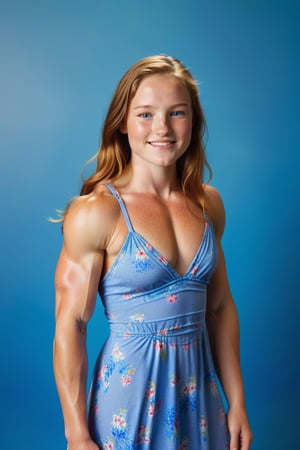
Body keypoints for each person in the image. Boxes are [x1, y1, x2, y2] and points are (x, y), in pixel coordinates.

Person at [53, 55, 252, 450]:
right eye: (145, 114)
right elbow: (70, 324)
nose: (162, 128)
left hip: (200, 399)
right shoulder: (97, 212)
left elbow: (220, 308)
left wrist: (238, 402)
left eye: (176, 113)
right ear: (122, 124)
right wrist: (76, 433)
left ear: (192, 123)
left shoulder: (208, 205)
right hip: (129, 402)